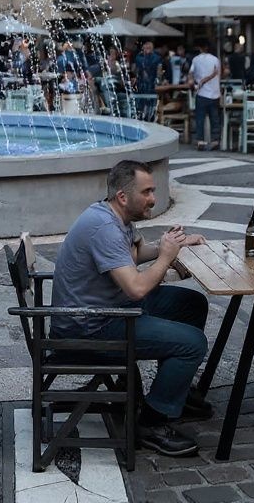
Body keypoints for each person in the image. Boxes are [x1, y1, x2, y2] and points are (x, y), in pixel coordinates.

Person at [51, 160, 211, 457]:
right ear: (123, 197)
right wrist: (165, 258)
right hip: (91, 327)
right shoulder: (104, 228)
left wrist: (178, 245)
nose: (154, 198)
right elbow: (136, 288)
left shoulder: (115, 216)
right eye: (147, 191)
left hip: (107, 309)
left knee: (191, 304)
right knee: (192, 343)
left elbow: (134, 255)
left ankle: (174, 391)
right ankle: (152, 422)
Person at [187, 38, 221, 151]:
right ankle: (215, 140)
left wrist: (192, 82)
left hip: (201, 93)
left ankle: (200, 141)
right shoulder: (216, 60)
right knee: (215, 118)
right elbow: (220, 74)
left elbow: (190, 73)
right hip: (215, 93)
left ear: (200, 48)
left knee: (200, 118)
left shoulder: (196, 59)